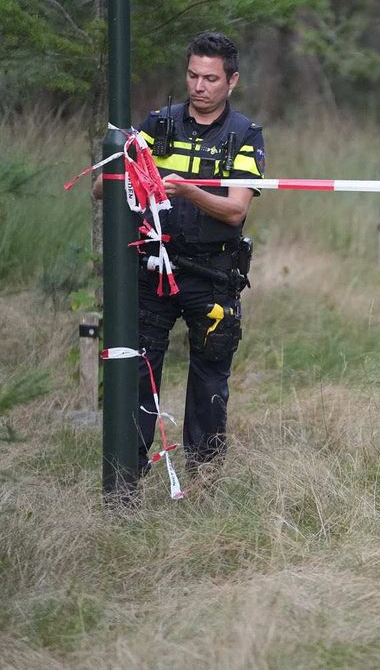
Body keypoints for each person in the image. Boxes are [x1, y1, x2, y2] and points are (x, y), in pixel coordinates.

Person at [95, 31, 265, 478]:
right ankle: (124, 483)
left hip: (211, 274)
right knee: (136, 374)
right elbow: (102, 190)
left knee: (210, 380)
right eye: (192, 75)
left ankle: (204, 480)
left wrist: (188, 190)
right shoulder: (157, 123)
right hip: (152, 268)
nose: (199, 86)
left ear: (232, 81)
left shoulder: (244, 134)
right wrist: (123, 166)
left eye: (210, 78)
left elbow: (235, 210)